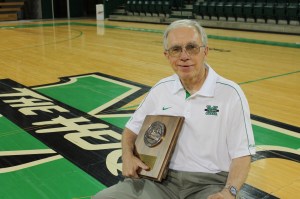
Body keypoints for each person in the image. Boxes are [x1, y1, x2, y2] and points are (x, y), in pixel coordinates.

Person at [93, 19, 256, 199]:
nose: (184, 56)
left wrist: (229, 191)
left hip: (210, 184)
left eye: (192, 47)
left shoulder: (230, 94)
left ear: (205, 51)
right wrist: (127, 155)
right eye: (176, 49)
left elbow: (242, 154)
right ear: (167, 55)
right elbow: (131, 130)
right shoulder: (161, 89)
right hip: (158, 180)